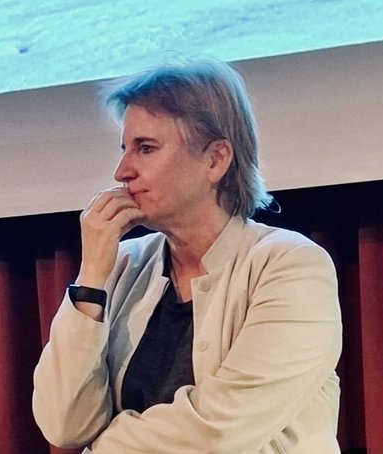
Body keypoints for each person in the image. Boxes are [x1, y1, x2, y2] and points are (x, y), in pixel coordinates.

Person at [32, 60, 342, 453]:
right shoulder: (122, 264)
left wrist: (103, 444)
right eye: (124, 149)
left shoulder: (291, 266)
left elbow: (217, 432)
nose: (121, 171)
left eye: (145, 148)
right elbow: (63, 425)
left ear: (216, 159)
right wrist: (92, 275)